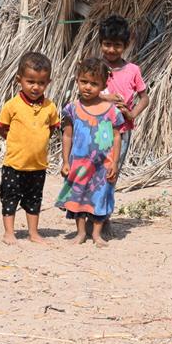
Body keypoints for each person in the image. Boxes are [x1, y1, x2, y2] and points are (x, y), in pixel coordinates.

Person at [55, 58, 125, 247]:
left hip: (103, 166)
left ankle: (96, 234)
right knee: (79, 197)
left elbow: (117, 137)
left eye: (94, 84)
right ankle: (80, 233)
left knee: (100, 197)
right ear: (77, 80)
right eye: (84, 81)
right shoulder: (72, 109)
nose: (88, 87)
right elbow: (67, 136)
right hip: (79, 164)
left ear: (103, 85)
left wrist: (115, 162)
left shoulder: (111, 111)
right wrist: (65, 161)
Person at [0, 52, 60, 246]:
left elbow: (53, 128)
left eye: (41, 83)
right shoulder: (12, 105)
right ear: (19, 80)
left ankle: (33, 232)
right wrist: (15, 141)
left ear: (48, 82)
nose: (35, 87)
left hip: (38, 166)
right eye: (30, 81)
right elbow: (1, 127)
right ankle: (9, 232)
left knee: (34, 199)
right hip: (14, 164)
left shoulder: (50, 107)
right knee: (10, 197)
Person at [97, 15, 150, 237]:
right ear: (100, 43)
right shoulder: (95, 67)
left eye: (117, 45)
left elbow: (145, 98)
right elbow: (85, 92)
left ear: (125, 45)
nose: (111, 50)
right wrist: (106, 98)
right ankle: (89, 216)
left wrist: (131, 113)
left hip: (122, 132)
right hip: (97, 129)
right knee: (94, 172)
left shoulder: (133, 70)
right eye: (107, 44)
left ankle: (104, 218)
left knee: (111, 173)